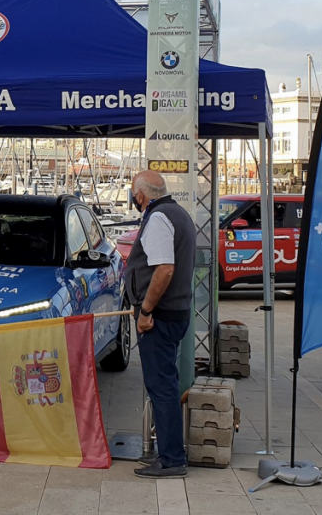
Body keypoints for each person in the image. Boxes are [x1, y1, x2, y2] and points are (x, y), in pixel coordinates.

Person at [125, 170, 196, 479]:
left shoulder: (158, 218)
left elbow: (164, 269)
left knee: (161, 387)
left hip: (160, 316)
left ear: (141, 195)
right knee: (165, 384)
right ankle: (171, 454)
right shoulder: (179, 213)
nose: (133, 198)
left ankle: (172, 459)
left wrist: (145, 310)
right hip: (175, 312)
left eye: (133, 193)